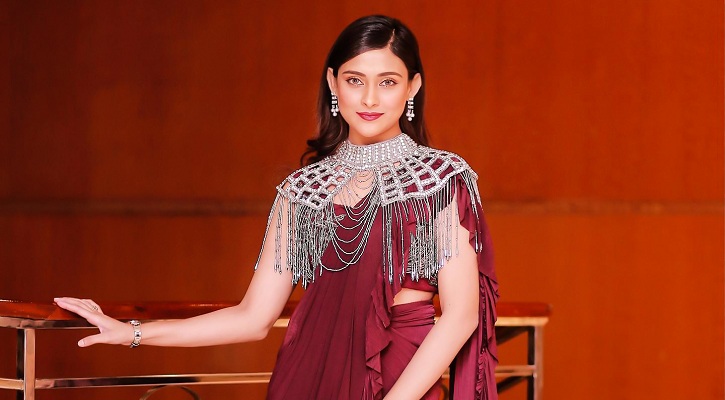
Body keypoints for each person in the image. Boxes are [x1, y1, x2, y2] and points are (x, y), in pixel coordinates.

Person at [55, 15, 499, 400]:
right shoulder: (302, 190)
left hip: (398, 378)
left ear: (412, 87)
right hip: (305, 372)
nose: (369, 99)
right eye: (354, 80)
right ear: (333, 83)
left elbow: (461, 315)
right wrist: (130, 332)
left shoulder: (440, 179)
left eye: (387, 82)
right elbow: (252, 317)